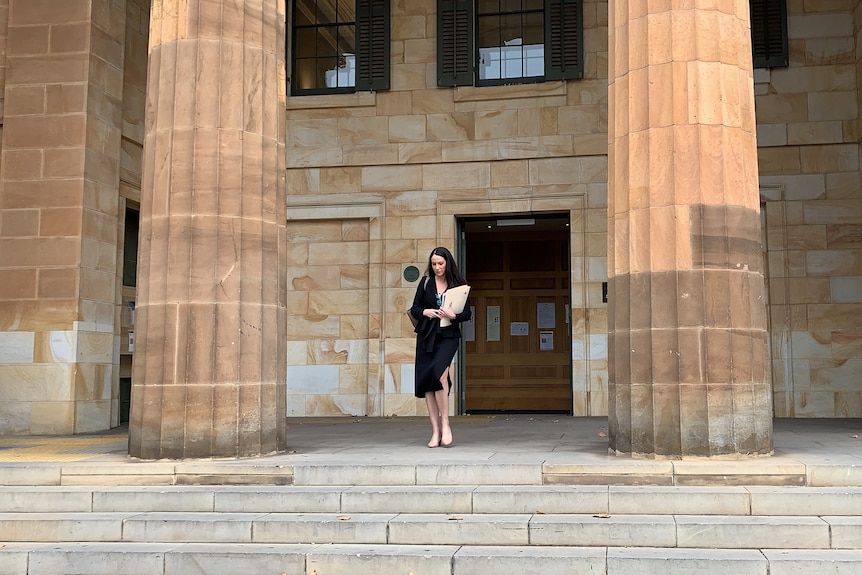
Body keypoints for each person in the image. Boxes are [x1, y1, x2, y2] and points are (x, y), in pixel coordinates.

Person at [409, 247, 471, 448]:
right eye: (434, 264)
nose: (437, 267)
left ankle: (446, 424)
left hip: (448, 335)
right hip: (427, 335)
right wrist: (426, 311)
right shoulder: (425, 282)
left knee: (440, 375)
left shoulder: (458, 285)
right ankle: (435, 431)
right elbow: (415, 308)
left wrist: (453, 316)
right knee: (428, 381)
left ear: (448, 263)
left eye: (440, 264)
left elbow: (467, 313)